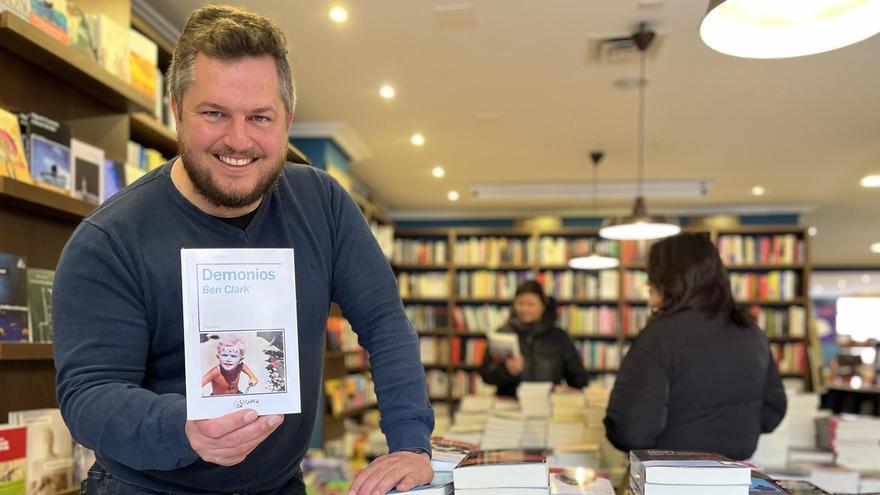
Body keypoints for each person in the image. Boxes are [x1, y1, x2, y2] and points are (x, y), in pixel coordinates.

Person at [52, 5, 433, 495]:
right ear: (176, 111)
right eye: (214, 113)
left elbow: (384, 321)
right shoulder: (110, 240)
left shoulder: (323, 204)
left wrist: (410, 444)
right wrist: (186, 425)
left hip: (278, 485)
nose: (238, 139)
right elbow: (88, 396)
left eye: (260, 117)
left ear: (287, 121)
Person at [604, 233, 787, 460]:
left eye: (652, 275)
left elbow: (631, 431)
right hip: (735, 476)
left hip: (669, 477)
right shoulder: (751, 332)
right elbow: (773, 411)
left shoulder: (660, 336)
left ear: (668, 280)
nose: (648, 284)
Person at [479, 280, 590, 397]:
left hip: (548, 405)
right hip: (510, 405)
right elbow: (486, 375)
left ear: (543, 306)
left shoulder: (560, 337)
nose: (524, 309)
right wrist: (506, 370)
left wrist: (564, 392)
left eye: (530, 304)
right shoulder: (502, 334)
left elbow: (579, 379)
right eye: (520, 304)